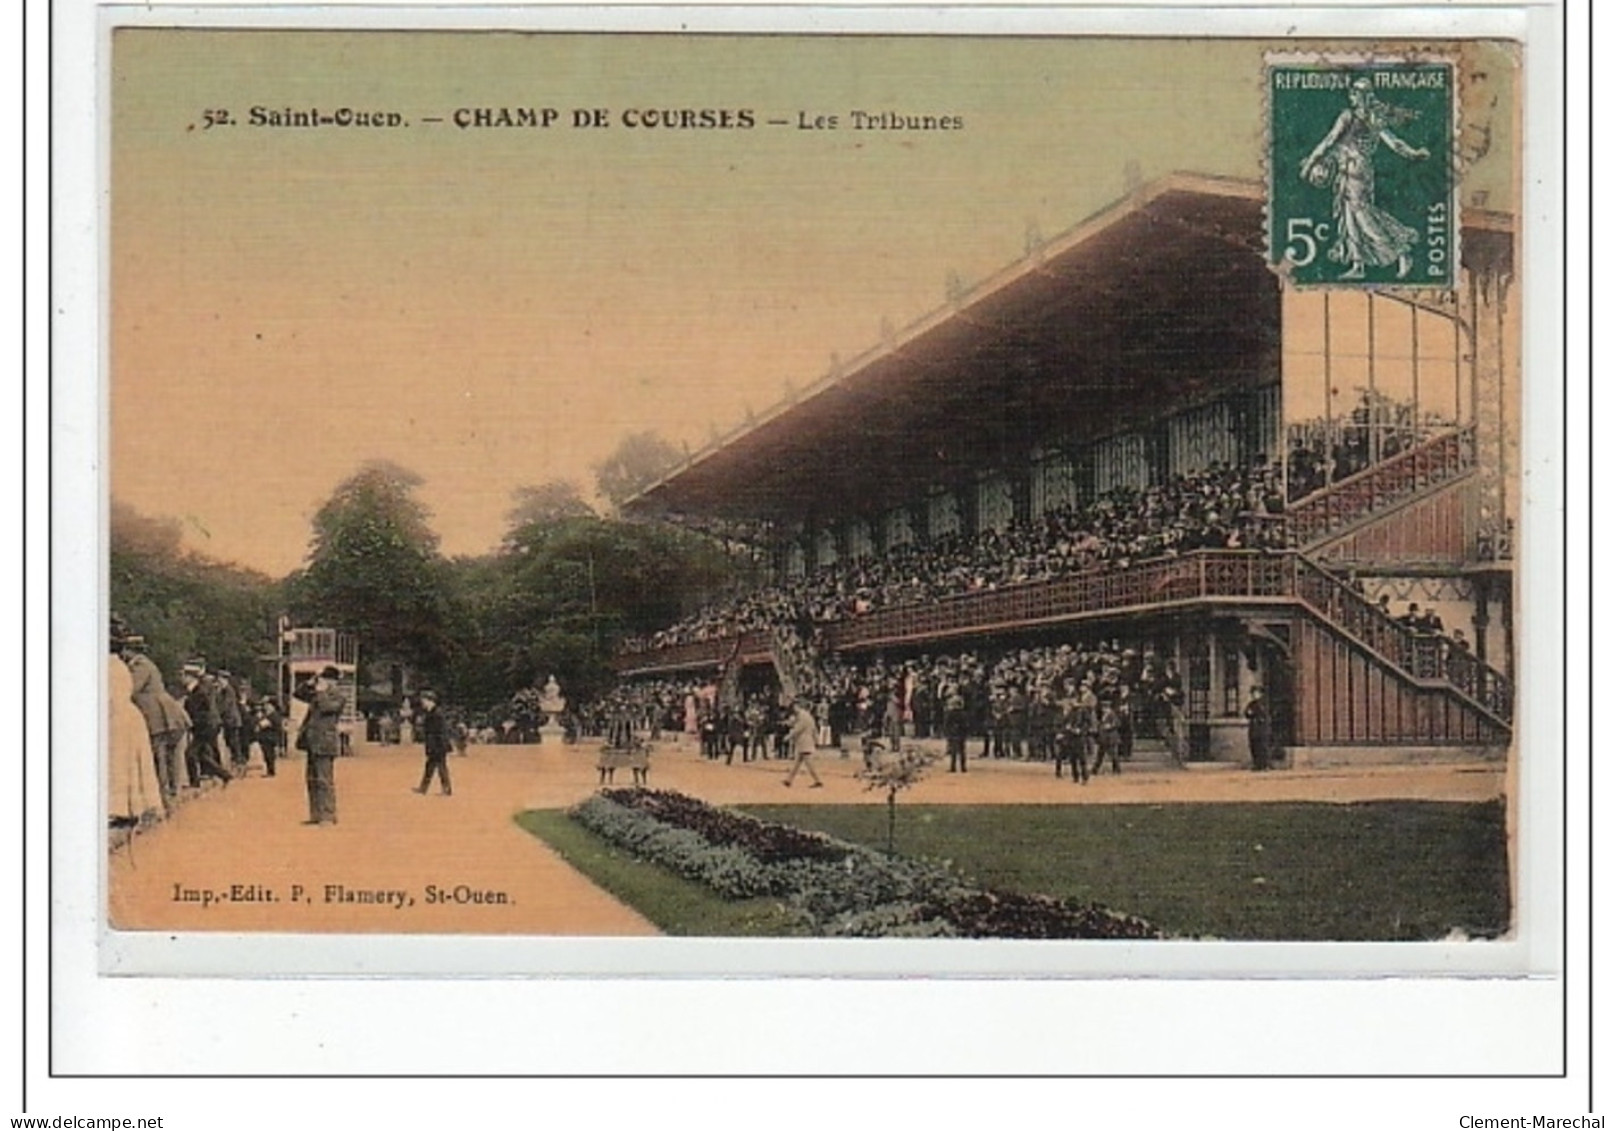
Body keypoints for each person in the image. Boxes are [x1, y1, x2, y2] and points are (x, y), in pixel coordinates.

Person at [1299, 77, 1430, 280]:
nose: (1352, 96)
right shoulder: (1374, 119)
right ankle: (1358, 265)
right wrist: (1413, 153)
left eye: (1355, 93)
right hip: (1355, 170)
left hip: (1354, 171)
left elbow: (1329, 141)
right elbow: (1395, 143)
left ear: (1361, 96)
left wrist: (1309, 165)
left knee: (1362, 216)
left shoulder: (1349, 116)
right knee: (1349, 216)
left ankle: (1401, 252)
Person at [120, 633, 188, 813]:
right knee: (165, 757)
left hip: (158, 716)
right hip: (164, 715)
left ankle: (165, 799)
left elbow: (130, 688)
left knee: (159, 757)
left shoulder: (140, 666)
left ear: (130, 650)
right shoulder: (146, 664)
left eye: (125, 649)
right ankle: (169, 797)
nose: (123, 653)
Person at [294, 666, 346, 825]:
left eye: (324, 679)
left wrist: (321, 691)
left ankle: (328, 815)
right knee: (312, 779)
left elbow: (326, 708)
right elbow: (298, 694)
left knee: (324, 780)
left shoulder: (338, 696)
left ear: (333, 681)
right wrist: (309, 683)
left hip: (325, 742)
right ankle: (316, 814)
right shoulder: (317, 694)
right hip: (312, 741)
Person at [180, 660, 233, 789]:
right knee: (202, 755)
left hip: (205, 728)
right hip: (207, 727)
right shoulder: (196, 691)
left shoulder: (199, 692)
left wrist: (191, 723)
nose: (182, 678)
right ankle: (224, 775)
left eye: (184, 675)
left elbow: (202, 713)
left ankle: (195, 783)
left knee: (190, 754)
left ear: (190, 677)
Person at [414, 689, 452, 796]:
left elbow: (440, 731)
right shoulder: (431, 713)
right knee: (431, 766)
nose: (422, 703)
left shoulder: (437, 714)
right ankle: (424, 788)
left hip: (438, 745)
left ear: (430, 701)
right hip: (435, 744)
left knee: (440, 767)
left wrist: (439, 746)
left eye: (424, 700)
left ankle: (446, 789)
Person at [782, 697, 823, 788]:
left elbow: (798, 729)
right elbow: (812, 728)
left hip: (805, 742)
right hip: (804, 742)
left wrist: (788, 737)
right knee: (797, 763)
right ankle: (789, 780)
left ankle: (818, 781)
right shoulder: (805, 715)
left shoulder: (803, 716)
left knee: (809, 764)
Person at [1245, 687, 1273, 772]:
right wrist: (1248, 713)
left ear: (1260, 694)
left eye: (1256, 693)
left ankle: (1265, 765)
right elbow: (1247, 713)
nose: (1254, 695)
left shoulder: (1264, 703)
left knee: (1263, 747)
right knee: (1254, 746)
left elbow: (1265, 715)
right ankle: (1256, 764)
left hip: (1262, 728)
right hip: (1253, 728)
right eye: (1253, 694)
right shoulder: (1251, 704)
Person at [942, 689, 968, 773]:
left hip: (953, 733)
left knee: (953, 751)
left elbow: (946, 724)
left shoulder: (950, 713)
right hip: (961, 733)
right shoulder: (963, 713)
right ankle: (963, 767)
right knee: (961, 750)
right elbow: (966, 725)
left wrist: (947, 733)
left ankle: (953, 767)